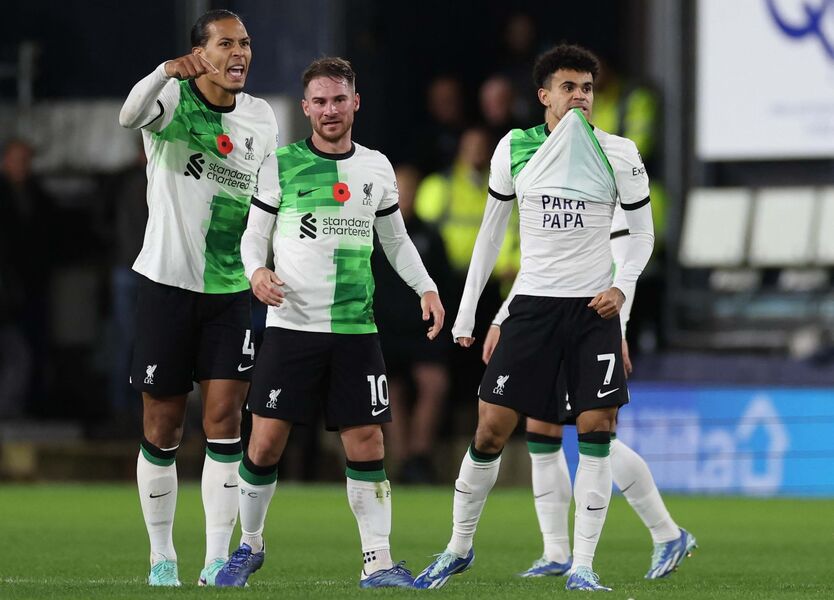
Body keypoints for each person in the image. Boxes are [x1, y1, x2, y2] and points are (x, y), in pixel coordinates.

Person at [413, 44, 655, 592]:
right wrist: (470, 312)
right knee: (492, 428)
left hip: (593, 309)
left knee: (598, 429)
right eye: (569, 87)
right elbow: (491, 234)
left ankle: (584, 565)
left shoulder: (619, 152)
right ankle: (458, 547)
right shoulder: (515, 148)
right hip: (533, 306)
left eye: (587, 88)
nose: (580, 97)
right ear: (543, 96)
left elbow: (641, 234)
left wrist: (622, 286)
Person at [215, 57, 445, 589]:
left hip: (355, 330)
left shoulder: (377, 168)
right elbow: (254, 235)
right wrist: (256, 273)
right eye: (319, 101)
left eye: (339, 99)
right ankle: (249, 547)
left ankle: (378, 562)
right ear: (305, 107)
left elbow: (395, 241)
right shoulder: (280, 164)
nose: (330, 110)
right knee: (265, 442)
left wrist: (427, 288)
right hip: (291, 326)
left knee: (368, 443)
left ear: (355, 102)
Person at [118, 9, 279, 587]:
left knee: (224, 419)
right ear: (200, 52)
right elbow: (128, 113)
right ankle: (162, 555)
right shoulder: (171, 101)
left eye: (246, 43)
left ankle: (216, 556)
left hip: (233, 289)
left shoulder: (261, 118)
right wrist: (166, 70)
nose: (240, 53)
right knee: (162, 426)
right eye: (227, 43)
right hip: (166, 283)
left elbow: (268, 201)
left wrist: (263, 265)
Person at [483, 205, 697, 581]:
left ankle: (667, 533)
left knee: (598, 436)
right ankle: (555, 551)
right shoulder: (555, 188)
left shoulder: (603, 196)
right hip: (547, 321)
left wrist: (621, 333)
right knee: (541, 430)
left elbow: (621, 272)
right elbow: (539, 268)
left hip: (587, 329)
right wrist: (502, 318)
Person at [372, 164, 452, 483]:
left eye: (409, 189)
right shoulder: (372, 232)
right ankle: (403, 460)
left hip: (421, 330)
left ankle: (419, 456)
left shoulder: (431, 236)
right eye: (398, 190)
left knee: (434, 382)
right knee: (393, 390)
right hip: (383, 330)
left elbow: (445, 285)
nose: (404, 196)